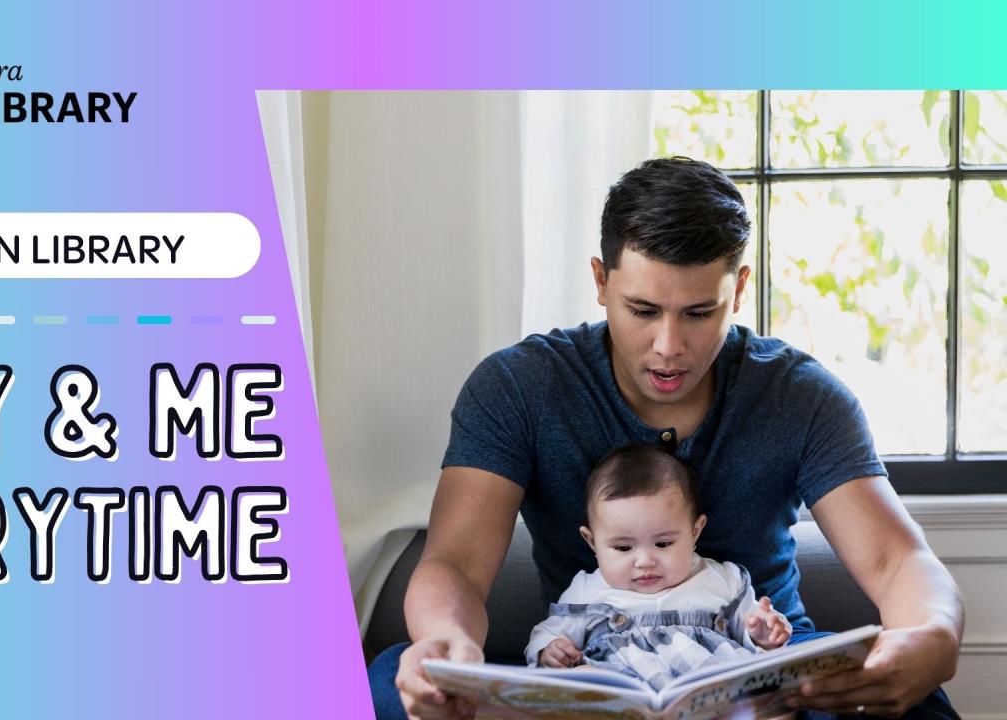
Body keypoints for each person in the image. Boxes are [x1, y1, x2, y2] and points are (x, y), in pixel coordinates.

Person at [369, 157, 963, 719]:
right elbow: (457, 566)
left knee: (918, 702)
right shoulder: (518, 387)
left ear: (739, 288)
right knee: (391, 680)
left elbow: (896, 561)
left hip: (770, 683)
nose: (668, 347)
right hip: (588, 680)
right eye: (643, 310)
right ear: (601, 282)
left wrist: (932, 634)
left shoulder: (802, 396)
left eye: (700, 313)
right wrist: (446, 645)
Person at [527, 444, 791, 692]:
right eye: (623, 548)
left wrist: (763, 631)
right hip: (620, 688)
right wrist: (549, 649)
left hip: (709, 686)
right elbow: (549, 631)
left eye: (663, 543)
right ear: (592, 542)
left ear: (695, 531)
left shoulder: (720, 578)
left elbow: (751, 622)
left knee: (768, 692)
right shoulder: (587, 589)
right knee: (578, 681)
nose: (644, 561)